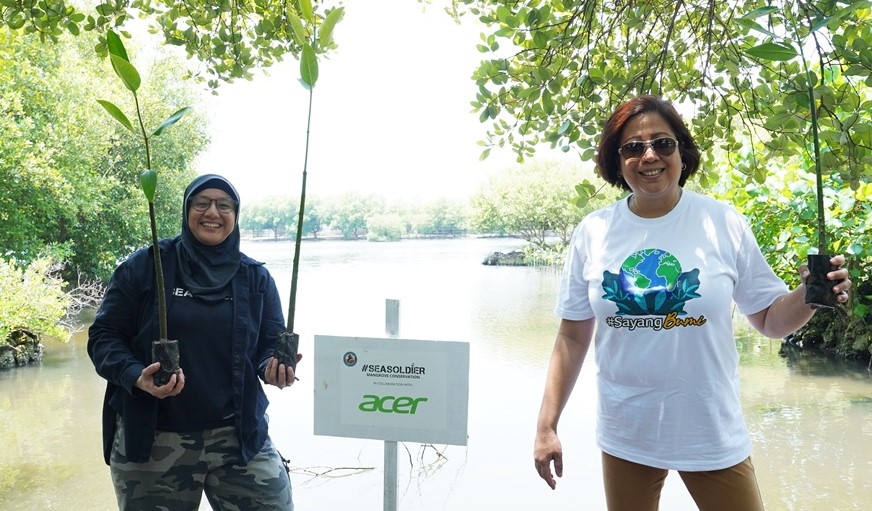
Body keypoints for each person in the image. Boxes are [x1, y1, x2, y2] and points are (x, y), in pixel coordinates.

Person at [532, 95, 852, 511]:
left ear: (683, 152)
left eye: (663, 144)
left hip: (710, 429)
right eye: (633, 147)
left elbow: (771, 320)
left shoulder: (723, 222)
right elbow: (572, 337)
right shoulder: (594, 232)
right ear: (617, 160)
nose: (649, 156)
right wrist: (546, 425)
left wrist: (810, 294)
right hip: (628, 430)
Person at [88, 174, 301, 510]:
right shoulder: (147, 266)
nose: (212, 212)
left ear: (235, 214)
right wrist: (135, 375)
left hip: (240, 437)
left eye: (223, 205)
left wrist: (272, 368)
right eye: (201, 203)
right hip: (155, 438)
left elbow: (268, 345)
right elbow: (103, 337)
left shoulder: (254, 276)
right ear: (187, 210)